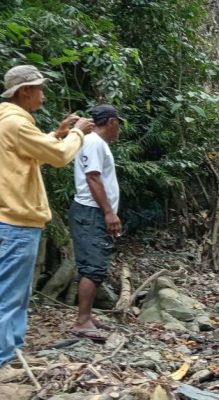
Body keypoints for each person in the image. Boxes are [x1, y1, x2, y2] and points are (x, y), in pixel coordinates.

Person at [0, 65, 93, 373]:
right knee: (10, 294)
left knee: (13, 291)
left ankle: (10, 352)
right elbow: (59, 156)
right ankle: (4, 359)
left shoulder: (8, 122)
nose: (43, 94)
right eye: (39, 89)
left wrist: (58, 134)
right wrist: (78, 132)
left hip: (10, 220)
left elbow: (34, 153)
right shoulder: (15, 123)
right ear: (24, 92)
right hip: (16, 221)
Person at [69, 104, 123, 341]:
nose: (119, 129)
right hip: (90, 211)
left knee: (94, 264)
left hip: (92, 212)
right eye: (118, 123)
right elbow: (93, 177)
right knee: (93, 266)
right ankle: (82, 321)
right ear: (111, 122)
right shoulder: (93, 142)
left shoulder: (95, 143)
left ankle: (87, 317)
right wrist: (109, 213)